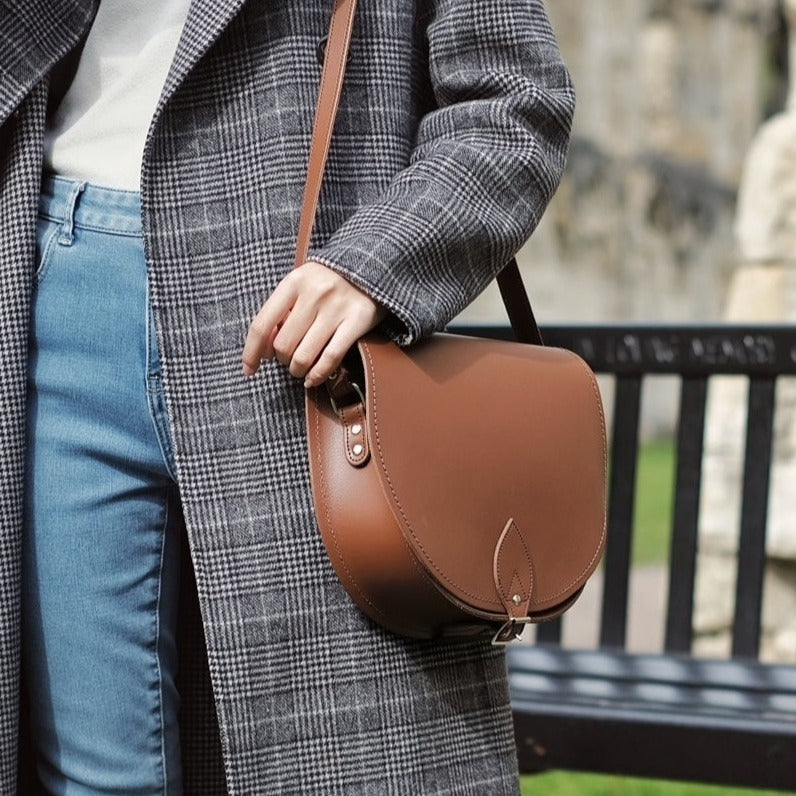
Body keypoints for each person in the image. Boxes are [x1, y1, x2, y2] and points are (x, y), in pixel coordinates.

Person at [0, 0, 575, 792]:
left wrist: (377, 262)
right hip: (59, 282)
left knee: (342, 761)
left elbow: (514, 100)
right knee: (98, 777)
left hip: (301, 334)